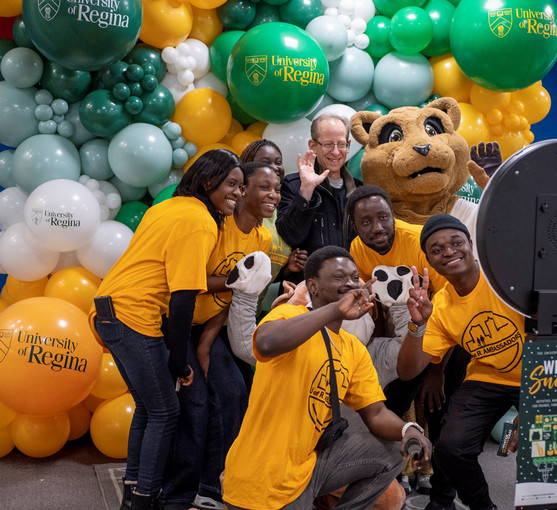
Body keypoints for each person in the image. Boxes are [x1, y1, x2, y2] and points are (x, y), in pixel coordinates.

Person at [90, 149, 244, 510]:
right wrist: (179, 361)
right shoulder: (199, 221)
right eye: (231, 184)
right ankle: (144, 500)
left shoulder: (167, 207)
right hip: (134, 315)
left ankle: (133, 493)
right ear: (208, 181)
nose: (237, 192)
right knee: (166, 412)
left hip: (107, 310)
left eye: (241, 186)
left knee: (147, 409)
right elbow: (182, 298)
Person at [222, 246, 431, 510]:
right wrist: (335, 311)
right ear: (313, 286)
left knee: (391, 450)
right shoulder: (288, 315)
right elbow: (266, 343)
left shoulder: (353, 348)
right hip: (261, 480)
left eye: (355, 277)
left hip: (310, 468)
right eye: (339, 277)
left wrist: (409, 430)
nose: (351, 283)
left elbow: (376, 413)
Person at [160, 160, 284, 510]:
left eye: (276, 189)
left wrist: (205, 344)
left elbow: (236, 297)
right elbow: (187, 283)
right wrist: (195, 344)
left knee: (233, 393)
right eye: (263, 187)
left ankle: (217, 485)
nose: (272, 195)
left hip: (210, 327)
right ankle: (180, 488)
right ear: (242, 190)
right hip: (174, 320)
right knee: (195, 403)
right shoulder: (215, 224)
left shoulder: (261, 239)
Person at [346, 184, 471, 495]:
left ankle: (444, 493)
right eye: (366, 222)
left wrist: (436, 371)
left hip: (448, 340)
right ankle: (386, 476)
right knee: (387, 404)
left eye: (383, 218)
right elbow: (369, 306)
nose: (377, 228)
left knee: (442, 411)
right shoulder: (357, 250)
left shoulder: (419, 242)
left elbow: (450, 308)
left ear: (392, 216)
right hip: (407, 338)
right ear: (355, 225)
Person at [397, 214, 524, 510]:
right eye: (437, 249)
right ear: (428, 258)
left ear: (470, 243)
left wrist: (534, 407)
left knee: (547, 447)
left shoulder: (507, 276)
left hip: (538, 375)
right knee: (451, 448)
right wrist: (418, 325)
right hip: (487, 377)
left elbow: (551, 332)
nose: (449, 252)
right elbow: (407, 372)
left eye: (456, 242)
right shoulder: (439, 305)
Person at [275, 114, 361, 284]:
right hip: (306, 290)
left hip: (350, 288)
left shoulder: (360, 191)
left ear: (348, 145)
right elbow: (289, 236)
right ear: (312, 146)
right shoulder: (293, 186)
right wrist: (306, 190)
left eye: (341, 144)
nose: (336, 152)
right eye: (328, 144)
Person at [240, 139, 307, 296]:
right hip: (213, 314)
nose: (275, 167)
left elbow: (261, 275)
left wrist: (287, 269)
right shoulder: (235, 210)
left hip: (250, 313)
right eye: (265, 162)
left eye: (279, 162)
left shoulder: (278, 211)